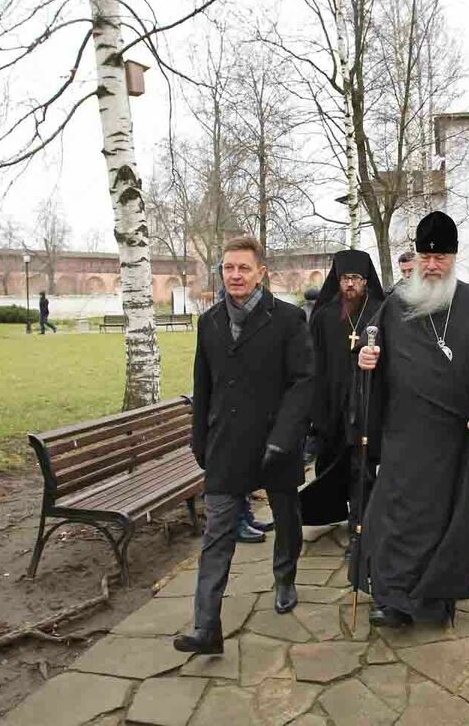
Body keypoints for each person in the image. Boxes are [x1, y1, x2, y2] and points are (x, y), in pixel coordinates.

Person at [355, 211, 469, 627]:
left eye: (441, 256)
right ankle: (391, 598)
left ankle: (436, 599)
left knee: (446, 522)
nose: (432, 264)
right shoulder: (396, 303)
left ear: (454, 257)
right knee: (396, 518)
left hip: (451, 437)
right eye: (426, 255)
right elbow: (373, 348)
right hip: (404, 435)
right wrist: (366, 358)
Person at [173, 235, 314, 655]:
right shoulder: (210, 322)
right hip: (226, 445)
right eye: (228, 268)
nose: (235, 275)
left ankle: (285, 578)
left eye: (243, 268)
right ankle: (206, 627)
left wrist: (285, 437)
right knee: (217, 533)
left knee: (287, 517)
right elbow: (204, 384)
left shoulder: (288, 320)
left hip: (276, 443)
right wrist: (200, 438)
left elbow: (303, 382)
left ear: (260, 273)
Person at [300, 250, 386, 551]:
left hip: (368, 405)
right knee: (332, 462)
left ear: (366, 281)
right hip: (332, 405)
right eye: (345, 278)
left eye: (356, 279)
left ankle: (362, 525)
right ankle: (330, 514)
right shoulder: (324, 315)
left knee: (363, 466)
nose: (350, 284)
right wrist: (315, 408)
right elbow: (312, 363)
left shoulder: (381, 311)